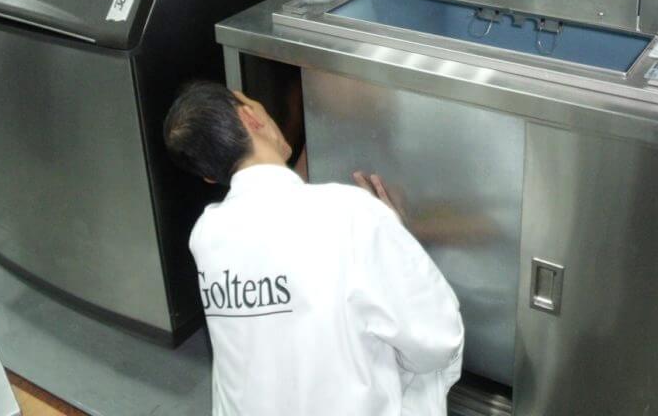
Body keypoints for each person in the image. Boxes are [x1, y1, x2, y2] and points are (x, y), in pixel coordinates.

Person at [163, 81, 464, 416]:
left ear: (207, 176)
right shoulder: (353, 212)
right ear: (250, 117)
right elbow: (437, 343)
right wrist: (394, 233)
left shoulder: (207, 234)